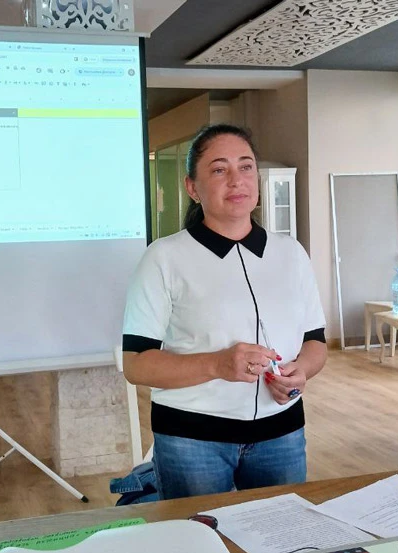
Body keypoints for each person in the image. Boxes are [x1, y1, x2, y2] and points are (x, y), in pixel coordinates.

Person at [121, 124, 328, 500]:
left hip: (281, 433)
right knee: (200, 530)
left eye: (246, 166)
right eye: (219, 169)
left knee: (281, 529)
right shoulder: (164, 258)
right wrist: (217, 364)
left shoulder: (291, 254)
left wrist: (302, 371)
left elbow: (315, 342)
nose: (236, 180)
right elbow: (136, 364)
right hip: (192, 440)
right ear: (192, 188)